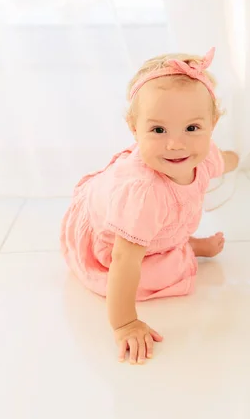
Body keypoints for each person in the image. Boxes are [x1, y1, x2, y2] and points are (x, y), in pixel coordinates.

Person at [61, 47, 239, 364]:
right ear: (134, 128)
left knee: (163, 228)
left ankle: (184, 244)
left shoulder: (204, 154)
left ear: (212, 124)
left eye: (192, 128)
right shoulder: (143, 194)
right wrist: (125, 322)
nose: (176, 144)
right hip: (112, 240)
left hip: (150, 229)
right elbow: (123, 260)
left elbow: (223, 160)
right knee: (154, 274)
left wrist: (239, 158)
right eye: (158, 130)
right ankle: (181, 248)